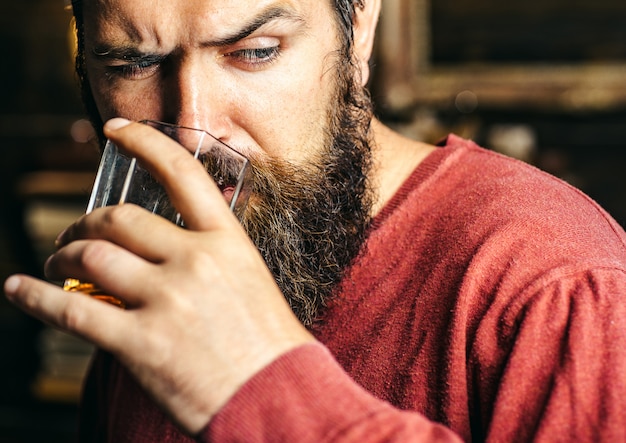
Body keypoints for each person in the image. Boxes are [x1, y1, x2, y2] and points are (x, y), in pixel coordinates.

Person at [4, 0, 626, 441]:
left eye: (254, 51)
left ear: (358, 29)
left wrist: (261, 388)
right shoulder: (161, 264)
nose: (194, 127)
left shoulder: (556, 281)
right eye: (131, 65)